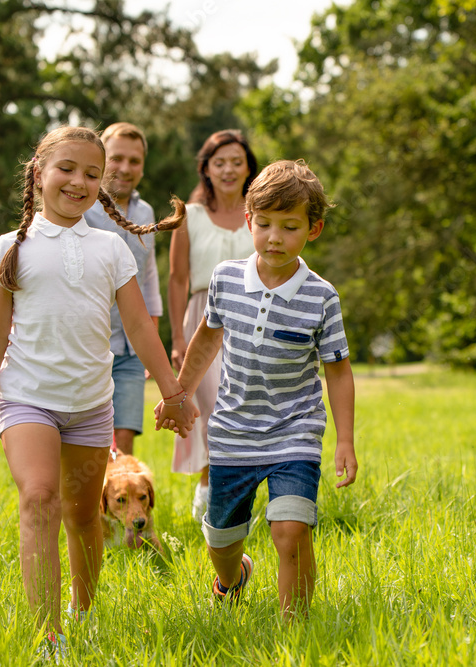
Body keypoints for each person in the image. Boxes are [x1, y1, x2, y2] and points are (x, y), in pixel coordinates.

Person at [0, 126, 198, 660]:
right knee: (40, 497)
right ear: (38, 172)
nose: (79, 181)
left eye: (93, 173)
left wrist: (173, 391)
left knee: (84, 515)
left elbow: (138, 326)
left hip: (91, 404)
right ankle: (49, 638)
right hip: (27, 399)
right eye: (66, 168)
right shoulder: (10, 248)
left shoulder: (111, 248)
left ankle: (81, 614)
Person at [158, 159, 358, 618]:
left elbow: (339, 369)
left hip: (295, 430)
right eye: (264, 224)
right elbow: (207, 339)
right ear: (248, 221)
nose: (274, 237)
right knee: (222, 537)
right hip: (233, 431)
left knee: (291, 530)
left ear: (314, 229)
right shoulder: (226, 280)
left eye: (289, 227)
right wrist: (179, 394)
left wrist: (344, 440)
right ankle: (233, 577)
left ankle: (297, 627)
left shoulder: (321, 296)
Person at [168, 129, 258, 521]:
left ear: (248, 167)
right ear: (206, 168)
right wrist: (176, 337)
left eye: (237, 162)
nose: (228, 170)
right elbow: (176, 279)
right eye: (219, 162)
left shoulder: (261, 213)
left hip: (255, 318)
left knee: (250, 407)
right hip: (203, 318)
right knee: (212, 409)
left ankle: (246, 493)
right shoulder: (189, 216)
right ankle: (208, 491)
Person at [85, 122, 161, 456]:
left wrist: (152, 338)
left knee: (124, 440)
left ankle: (120, 508)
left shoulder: (146, 213)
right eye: (116, 158)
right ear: (101, 158)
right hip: (88, 343)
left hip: (131, 349)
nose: (125, 168)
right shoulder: (82, 209)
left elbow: (149, 276)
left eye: (134, 161)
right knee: (88, 440)